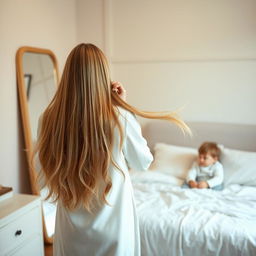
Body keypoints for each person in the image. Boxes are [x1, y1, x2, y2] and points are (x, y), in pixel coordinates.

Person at [34, 43, 190, 256]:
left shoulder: (48, 119)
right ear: (103, 76)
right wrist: (123, 107)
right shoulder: (118, 117)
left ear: (68, 76)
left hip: (71, 233)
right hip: (114, 230)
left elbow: (43, 179)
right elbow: (143, 162)